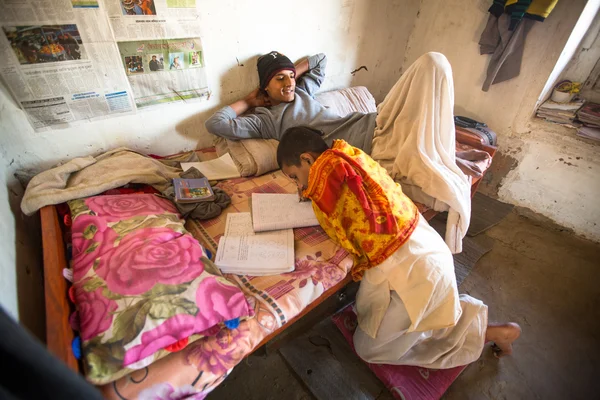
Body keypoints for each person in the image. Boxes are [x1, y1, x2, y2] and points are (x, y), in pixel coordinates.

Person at [276, 126, 521, 368]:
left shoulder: (327, 172)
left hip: (416, 272)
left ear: (307, 159)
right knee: (373, 313)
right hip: (424, 248)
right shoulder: (346, 154)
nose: (299, 187)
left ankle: (485, 333)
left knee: (368, 348)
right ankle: (449, 314)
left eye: (295, 177)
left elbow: (329, 207)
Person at [206, 51, 473, 254]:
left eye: (289, 76)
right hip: (373, 147)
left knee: (432, 64)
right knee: (431, 78)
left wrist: (290, 74)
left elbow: (320, 59)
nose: (288, 82)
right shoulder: (266, 118)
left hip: (377, 121)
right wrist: (249, 101)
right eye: (279, 78)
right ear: (265, 85)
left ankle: (439, 156)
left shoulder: (303, 91)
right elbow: (216, 124)